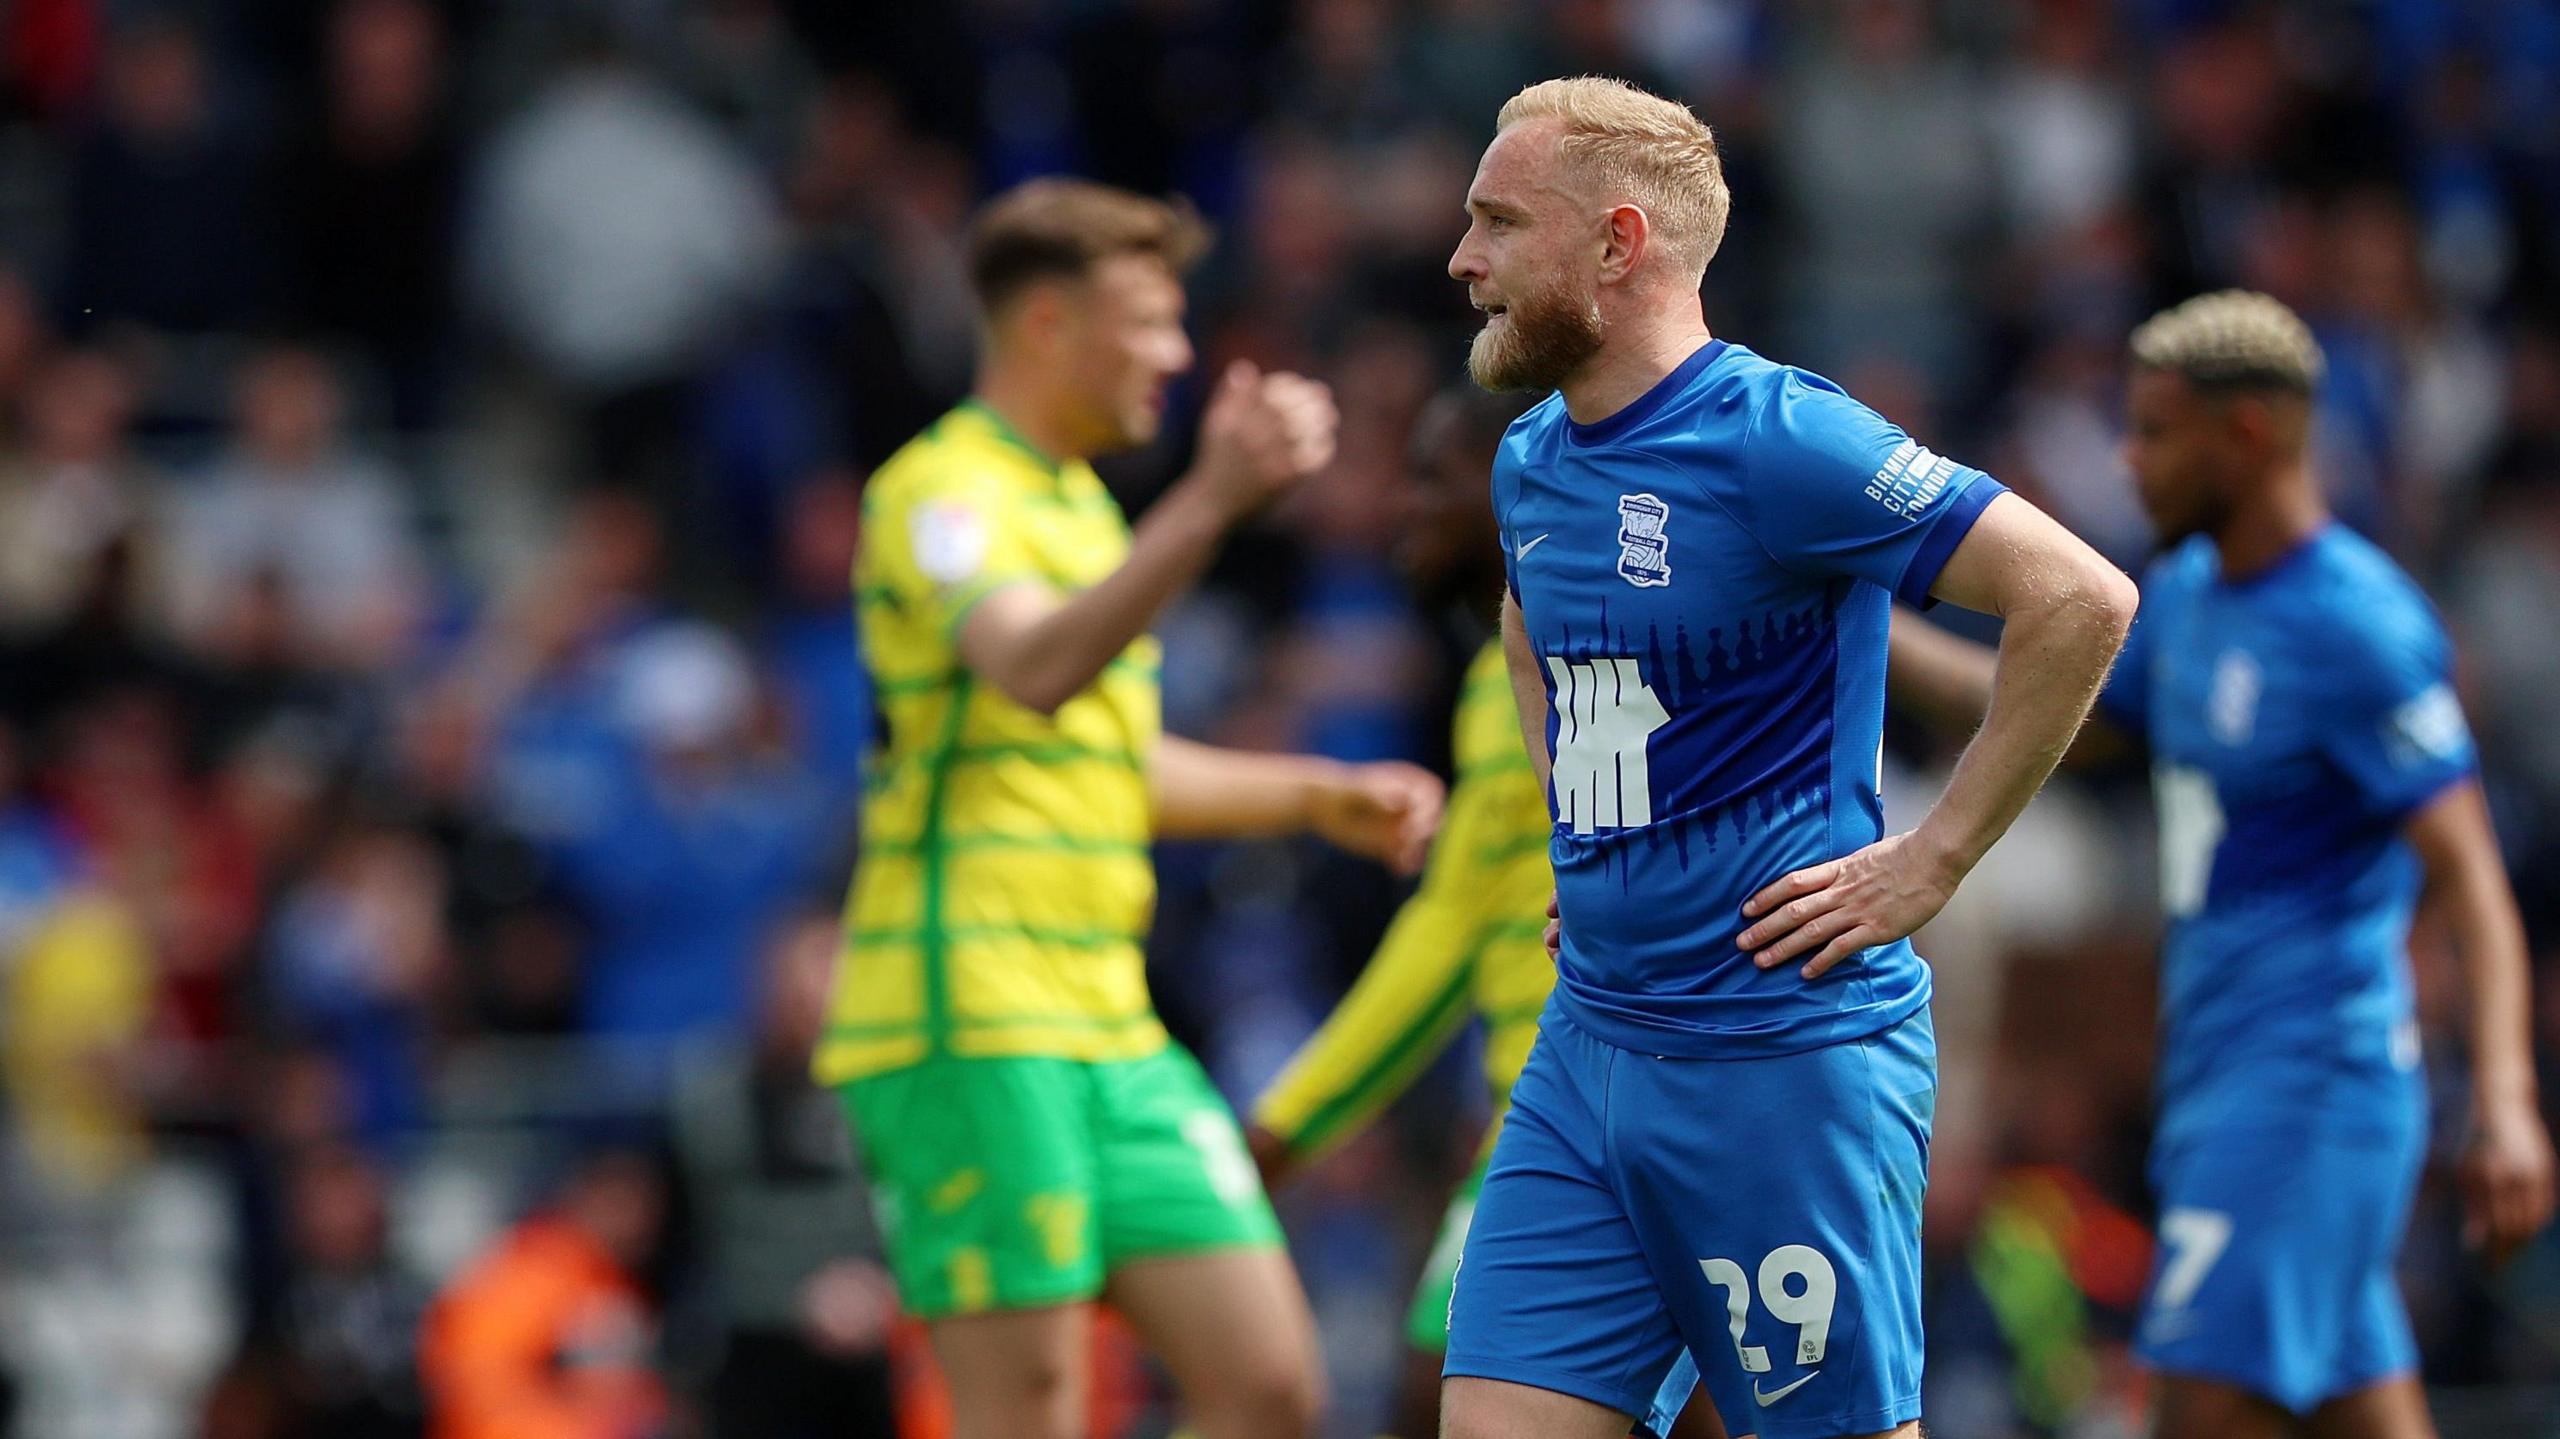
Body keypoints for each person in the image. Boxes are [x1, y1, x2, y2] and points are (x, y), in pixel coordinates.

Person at [1437, 76, 2135, 1439]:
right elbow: (1532, 634)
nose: (1463, 260)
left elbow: (2082, 596)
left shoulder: (1781, 438)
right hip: (1589, 1049)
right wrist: (1588, 828)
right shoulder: (1529, 460)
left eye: (1498, 222)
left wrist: (1933, 859)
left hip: (1778, 1057)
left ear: (1616, 244)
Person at [819, 176, 1447, 1439]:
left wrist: (1310, 794)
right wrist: (1213, 498)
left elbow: (1101, 760)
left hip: (1109, 1024)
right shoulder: (938, 496)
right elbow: (1037, 665)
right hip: (970, 1018)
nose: (1176, 350)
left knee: (1270, 1388)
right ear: (1048, 323)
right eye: (1150, 320)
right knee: (1032, 1414)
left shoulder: (1081, 506)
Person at [1888, 290, 2557, 1439]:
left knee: (2194, 1406)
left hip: (2310, 1086)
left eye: (2153, 430)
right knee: (2361, 1407)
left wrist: (2502, 1096)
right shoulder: (2190, 598)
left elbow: (2473, 878)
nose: (2127, 458)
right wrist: (1855, 626)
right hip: (2220, 1078)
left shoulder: (2357, 625)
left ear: (2243, 437)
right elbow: (2042, 715)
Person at [1245, 383, 1728, 1439]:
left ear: (1517, 483)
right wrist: (1290, 1122)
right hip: (1545, 1125)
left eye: (1434, 476)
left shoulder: (1638, 643)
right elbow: (1452, 925)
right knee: (1442, 1389)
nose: (1407, 507)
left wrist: (1283, 1127)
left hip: (1666, 1120)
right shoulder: (1490, 684)